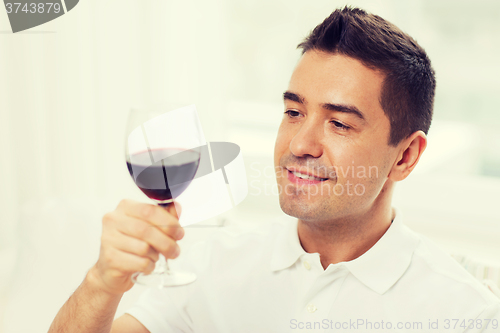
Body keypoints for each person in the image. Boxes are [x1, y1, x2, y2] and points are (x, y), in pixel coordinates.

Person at [48, 6, 500, 333]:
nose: (300, 145)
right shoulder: (210, 265)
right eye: (294, 112)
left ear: (405, 157)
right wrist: (102, 283)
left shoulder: (465, 315)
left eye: (339, 123)